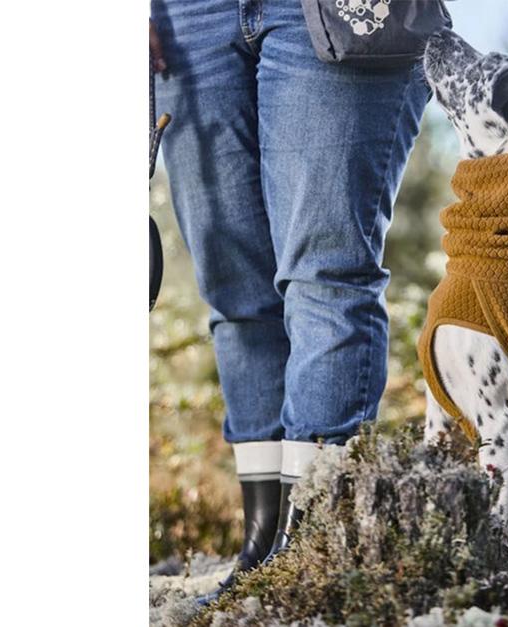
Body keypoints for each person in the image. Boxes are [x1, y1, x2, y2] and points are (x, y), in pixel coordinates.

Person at [149, 0, 430, 600]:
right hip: (186, 15)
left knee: (325, 278)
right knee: (236, 294)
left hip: (334, 11)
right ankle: (262, 546)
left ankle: (315, 552)